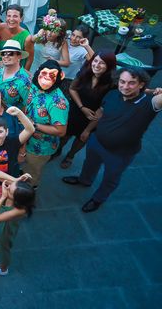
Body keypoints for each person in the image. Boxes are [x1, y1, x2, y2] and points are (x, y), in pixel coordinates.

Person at [62, 68, 161, 212]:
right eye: (122, 81)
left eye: (131, 83)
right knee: (89, 164)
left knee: (110, 178)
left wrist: (155, 91)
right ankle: (84, 181)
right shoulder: (112, 94)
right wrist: (88, 130)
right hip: (96, 142)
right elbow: (100, 113)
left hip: (120, 153)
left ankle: (98, 199)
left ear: (141, 85)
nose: (125, 86)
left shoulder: (150, 103)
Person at [58, 51, 116, 169]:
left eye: (102, 63)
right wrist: (82, 107)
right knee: (64, 135)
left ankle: (70, 156)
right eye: (95, 61)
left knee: (82, 138)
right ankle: (57, 151)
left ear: (109, 66)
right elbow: (72, 89)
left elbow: (103, 108)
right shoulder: (85, 72)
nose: (97, 65)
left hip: (93, 118)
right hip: (75, 110)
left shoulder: (111, 83)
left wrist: (88, 129)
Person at [0, 170, 35, 276]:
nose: (7, 187)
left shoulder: (19, 209)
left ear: (17, 199)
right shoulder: (16, 191)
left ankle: (3, 268)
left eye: (10, 190)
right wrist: (15, 180)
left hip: (5, 229)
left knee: (3, 248)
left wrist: (3, 197)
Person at [24, 60, 69, 187]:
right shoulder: (35, 86)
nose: (46, 78)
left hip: (40, 146)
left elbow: (60, 131)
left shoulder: (58, 102)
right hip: (26, 138)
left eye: (52, 76)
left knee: (31, 174)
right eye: (44, 74)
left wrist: (33, 125)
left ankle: (27, 195)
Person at [0, 40, 32, 109]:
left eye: (10, 53)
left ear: (19, 56)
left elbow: (28, 105)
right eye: (3, 53)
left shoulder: (24, 81)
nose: (6, 56)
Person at [0, 5, 34, 70]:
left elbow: (30, 59)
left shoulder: (27, 38)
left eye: (15, 16)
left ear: (21, 18)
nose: (11, 19)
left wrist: (25, 74)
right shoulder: (1, 27)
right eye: (9, 16)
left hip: (15, 70)